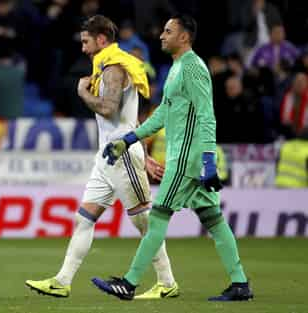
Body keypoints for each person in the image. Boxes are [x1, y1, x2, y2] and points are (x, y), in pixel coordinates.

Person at [91, 14, 253, 301]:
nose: (162, 36)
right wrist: (129, 140)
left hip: (187, 158)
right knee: (213, 218)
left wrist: (207, 161)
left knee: (157, 217)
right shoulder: (177, 69)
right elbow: (163, 115)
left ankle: (129, 283)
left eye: (168, 31)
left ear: (184, 37)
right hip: (188, 156)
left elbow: (206, 116)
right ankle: (240, 284)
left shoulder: (192, 69)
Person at [25, 15, 179, 300]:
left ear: (101, 40)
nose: (83, 48)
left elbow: (109, 109)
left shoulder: (113, 69)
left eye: (86, 42)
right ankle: (62, 281)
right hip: (109, 156)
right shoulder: (107, 66)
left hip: (121, 156)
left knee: (143, 222)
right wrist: (142, 152)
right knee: (84, 219)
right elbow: (127, 119)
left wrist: (83, 92)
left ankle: (167, 281)